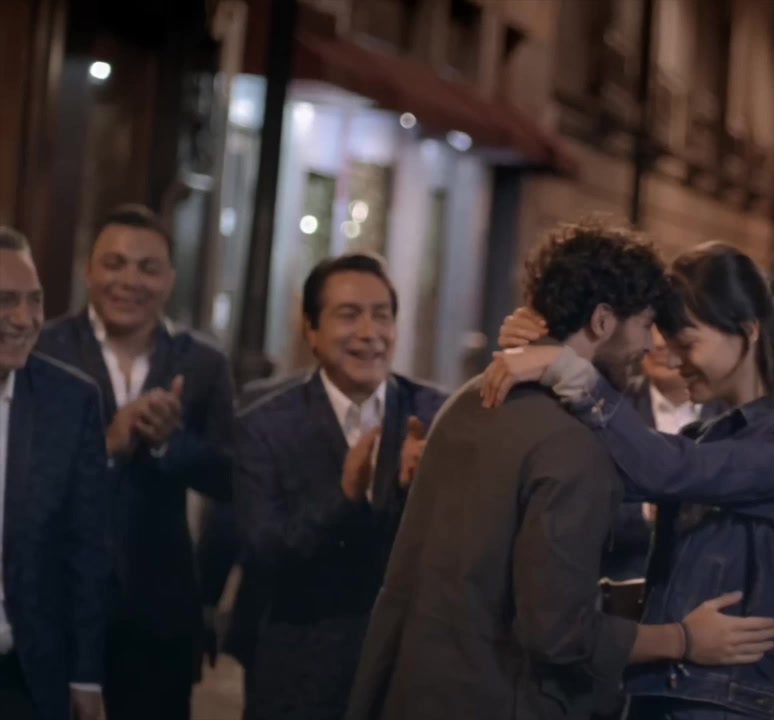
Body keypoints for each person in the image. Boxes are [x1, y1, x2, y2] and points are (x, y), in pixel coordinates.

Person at [345, 224, 774, 720]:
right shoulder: (574, 442)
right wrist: (682, 639)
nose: (649, 344)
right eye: (644, 324)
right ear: (602, 321)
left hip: (412, 691)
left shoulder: (472, 397)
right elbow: (559, 633)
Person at [485, 240, 774, 720]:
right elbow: (604, 474)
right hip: (667, 688)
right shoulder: (712, 434)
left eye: (687, 343)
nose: (672, 361)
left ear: (748, 332)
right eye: (666, 343)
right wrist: (552, 345)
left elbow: (669, 470)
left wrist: (568, 370)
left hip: (715, 699)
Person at [35, 205, 235, 720]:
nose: (129, 281)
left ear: (169, 279)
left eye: (148, 268)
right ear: (88, 271)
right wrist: (108, 443)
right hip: (54, 603)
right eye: (114, 264)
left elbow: (232, 479)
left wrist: (170, 444)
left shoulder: (203, 363)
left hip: (159, 613)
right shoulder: (43, 349)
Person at [234, 254, 446, 720]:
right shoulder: (265, 426)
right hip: (298, 675)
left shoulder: (437, 417)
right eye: (349, 315)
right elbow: (263, 553)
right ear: (311, 330)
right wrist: (345, 497)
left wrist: (424, 490)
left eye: (382, 316)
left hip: (405, 677)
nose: (369, 332)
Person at [0, 227, 111, 720]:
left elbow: (87, 548)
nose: (25, 319)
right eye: (5, 300)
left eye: (35, 300)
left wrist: (86, 675)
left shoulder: (71, 401)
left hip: (25, 676)